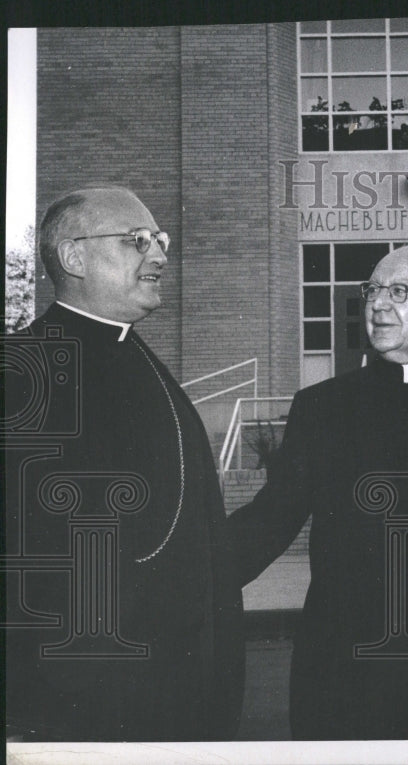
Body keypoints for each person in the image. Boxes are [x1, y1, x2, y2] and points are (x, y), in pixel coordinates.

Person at [228, 245, 408, 740]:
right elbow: (271, 519)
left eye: (400, 291)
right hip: (339, 663)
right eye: (372, 290)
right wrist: (189, 574)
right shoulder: (321, 408)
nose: (379, 304)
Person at [4, 187, 244, 741]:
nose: (159, 255)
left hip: (178, 694)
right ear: (73, 257)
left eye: (160, 240)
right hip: (72, 705)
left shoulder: (142, 360)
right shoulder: (18, 374)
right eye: (137, 240)